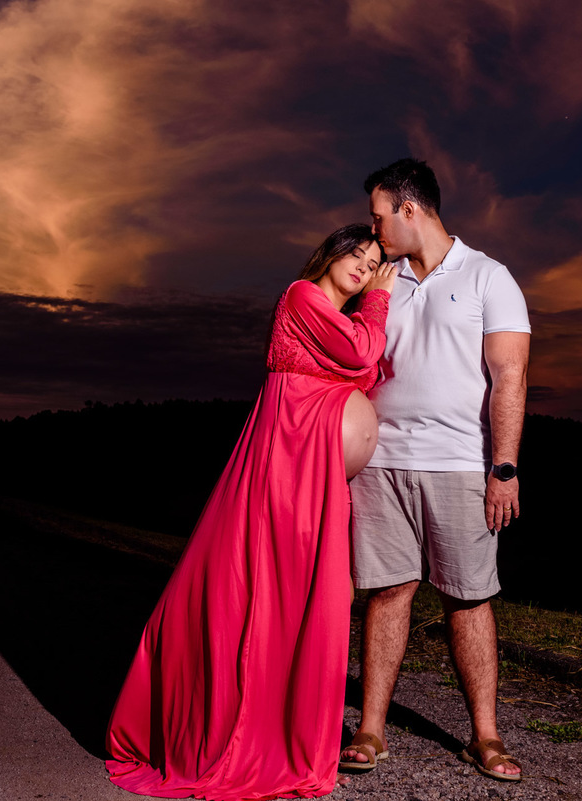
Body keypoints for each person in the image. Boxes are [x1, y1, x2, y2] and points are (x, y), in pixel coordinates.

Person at [106, 224, 399, 799]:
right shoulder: (302, 295)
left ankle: (281, 727)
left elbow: (362, 370)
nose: (366, 266)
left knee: (310, 599)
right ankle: (242, 735)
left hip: (317, 475)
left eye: (375, 261)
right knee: (263, 592)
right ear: (330, 254)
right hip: (286, 463)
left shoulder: (337, 314)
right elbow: (365, 353)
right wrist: (381, 300)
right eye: (358, 255)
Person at [340, 159, 531, 782]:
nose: (373, 229)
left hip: (460, 463)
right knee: (387, 591)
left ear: (409, 208)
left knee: (468, 598)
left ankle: (486, 736)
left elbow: (510, 377)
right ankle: (371, 728)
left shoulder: (488, 277)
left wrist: (503, 467)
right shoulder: (379, 280)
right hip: (381, 462)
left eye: (378, 215)